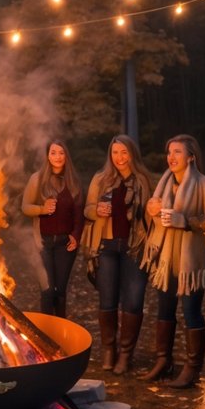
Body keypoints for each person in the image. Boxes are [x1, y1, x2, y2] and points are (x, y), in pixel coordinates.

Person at [142, 134, 205, 388]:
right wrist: (151, 211)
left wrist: (185, 221)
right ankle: (163, 360)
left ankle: (192, 368)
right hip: (166, 261)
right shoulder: (164, 183)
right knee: (164, 310)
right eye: (169, 152)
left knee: (191, 312)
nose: (171, 157)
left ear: (191, 157)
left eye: (177, 152)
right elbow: (155, 219)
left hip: (191, 264)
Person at [83, 135, 153, 375]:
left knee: (133, 301)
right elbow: (87, 209)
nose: (119, 158)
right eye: (115, 153)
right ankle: (108, 350)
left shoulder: (143, 181)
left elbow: (151, 214)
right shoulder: (101, 179)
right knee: (107, 300)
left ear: (132, 154)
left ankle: (125, 353)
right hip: (107, 247)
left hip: (135, 247)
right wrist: (96, 210)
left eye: (124, 152)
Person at [22, 140, 84, 320]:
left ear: (66, 156)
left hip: (65, 244)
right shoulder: (37, 179)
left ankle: (60, 329)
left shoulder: (73, 182)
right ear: (47, 156)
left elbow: (79, 213)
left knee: (60, 291)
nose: (57, 157)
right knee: (48, 290)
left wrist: (76, 235)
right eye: (53, 153)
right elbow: (25, 207)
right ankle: (47, 332)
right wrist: (42, 209)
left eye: (61, 153)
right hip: (43, 243)